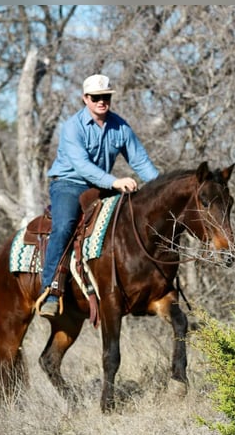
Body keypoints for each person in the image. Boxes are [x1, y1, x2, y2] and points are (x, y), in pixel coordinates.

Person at [38, 74, 160, 318]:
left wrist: (160, 188)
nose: (101, 102)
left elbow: (139, 160)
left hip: (103, 186)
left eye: (106, 97)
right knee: (64, 227)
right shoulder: (73, 127)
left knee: (131, 222)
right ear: (85, 99)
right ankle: (50, 289)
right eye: (96, 98)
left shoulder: (120, 126)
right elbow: (82, 166)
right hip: (69, 184)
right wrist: (115, 181)